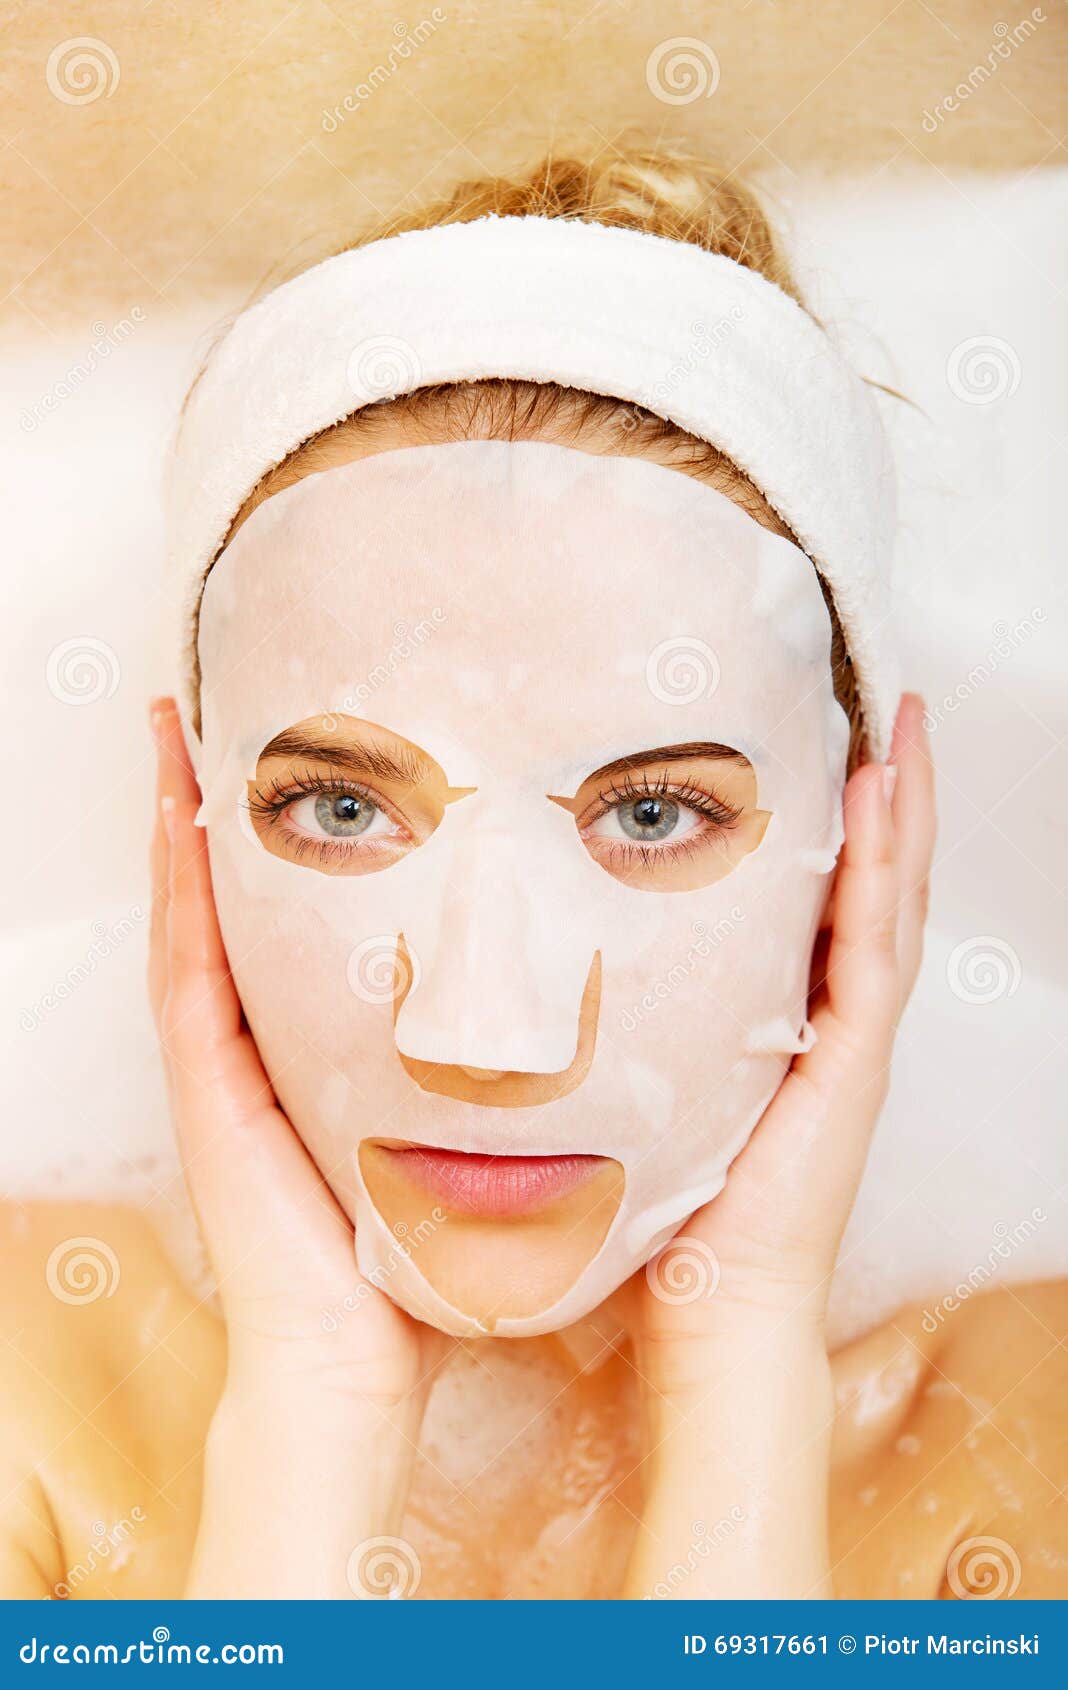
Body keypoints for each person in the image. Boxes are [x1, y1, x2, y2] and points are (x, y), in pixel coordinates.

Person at [2, 149, 1063, 1602]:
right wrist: (311, 1402)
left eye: (651, 816)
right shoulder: (26, 1378)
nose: (484, 1034)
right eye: (340, 806)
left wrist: (742, 1346)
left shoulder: (1027, 1440)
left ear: (859, 858)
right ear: (190, 829)